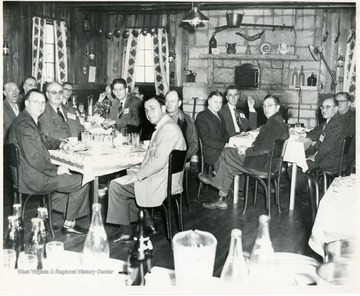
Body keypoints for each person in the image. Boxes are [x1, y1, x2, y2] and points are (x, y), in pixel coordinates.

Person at [8, 89, 90, 235]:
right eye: (35, 102)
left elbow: (43, 138)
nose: (40, 106)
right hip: (32, 178)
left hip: (28, 173)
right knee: (84, 179)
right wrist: (56, 169)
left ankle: (48, 210)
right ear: (26, 103)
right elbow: (35, 159)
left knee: (71, 176)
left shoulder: (27, 119)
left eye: (42, 102)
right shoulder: (25, 125)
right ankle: (69, 223)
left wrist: (61, 144)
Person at [106, 95, 186, 243]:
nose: (149, 113)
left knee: (116, 186)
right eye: (146, 110)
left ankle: (125, 232)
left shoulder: (168, 129)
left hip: (162, 184)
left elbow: (158, 163)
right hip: (166, 178)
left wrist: (138, 175)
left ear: (163, 109)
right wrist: (137, 171)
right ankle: (148, 224)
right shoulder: (166, 126)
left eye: (152, 109)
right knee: (128, 176)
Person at [199, 94, 289, 210]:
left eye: (270, 105)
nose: (266, 109)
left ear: (277, 107)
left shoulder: (274, 124)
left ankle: (214, 176)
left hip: (263, 165)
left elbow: (265, 148)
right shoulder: (277, 121)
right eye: (264, 106)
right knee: (228, 167)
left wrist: (246, 151)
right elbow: (266, 145)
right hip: (268, 162)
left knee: (227, 151)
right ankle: (221, 200)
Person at [304, 97, 345, 174]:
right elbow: (320, 137)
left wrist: (315, 158)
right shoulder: (330, 122)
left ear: (336, 109)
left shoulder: (335, 125)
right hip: (328, 158)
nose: (324, 110)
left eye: (328, 107)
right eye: (322, 107)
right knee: (302, 157)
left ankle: (311, 185)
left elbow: (325, 148)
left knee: (295, 167)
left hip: (329, 163)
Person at [195, 90, 230, 170]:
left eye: (220, 102)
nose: (218, 105)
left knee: (239, 153)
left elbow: (225, 135)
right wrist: (225, 145)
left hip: (221, 149)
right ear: (209, 102)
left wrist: (233, 142)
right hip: (211, 152)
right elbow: (206, 140)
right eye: (215, 102)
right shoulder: (202, 116)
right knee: (235, 158)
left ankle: (233, 181)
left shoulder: (220, 115)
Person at [165, 90, 198, 162]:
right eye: (167, 101)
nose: (169, 104)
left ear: (179, 103)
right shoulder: (160, 118)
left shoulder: (187, 120)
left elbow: (194, 145)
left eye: (173, 101)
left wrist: (182, 158)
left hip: (179, 160)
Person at [335, 92, 355, 170]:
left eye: (342, 101)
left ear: (349, 103)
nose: (339, 104)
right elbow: (321, 128)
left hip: (342, 158)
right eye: (337, 102)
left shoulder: (353, 118)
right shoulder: (337, 115)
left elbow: (343, 135)